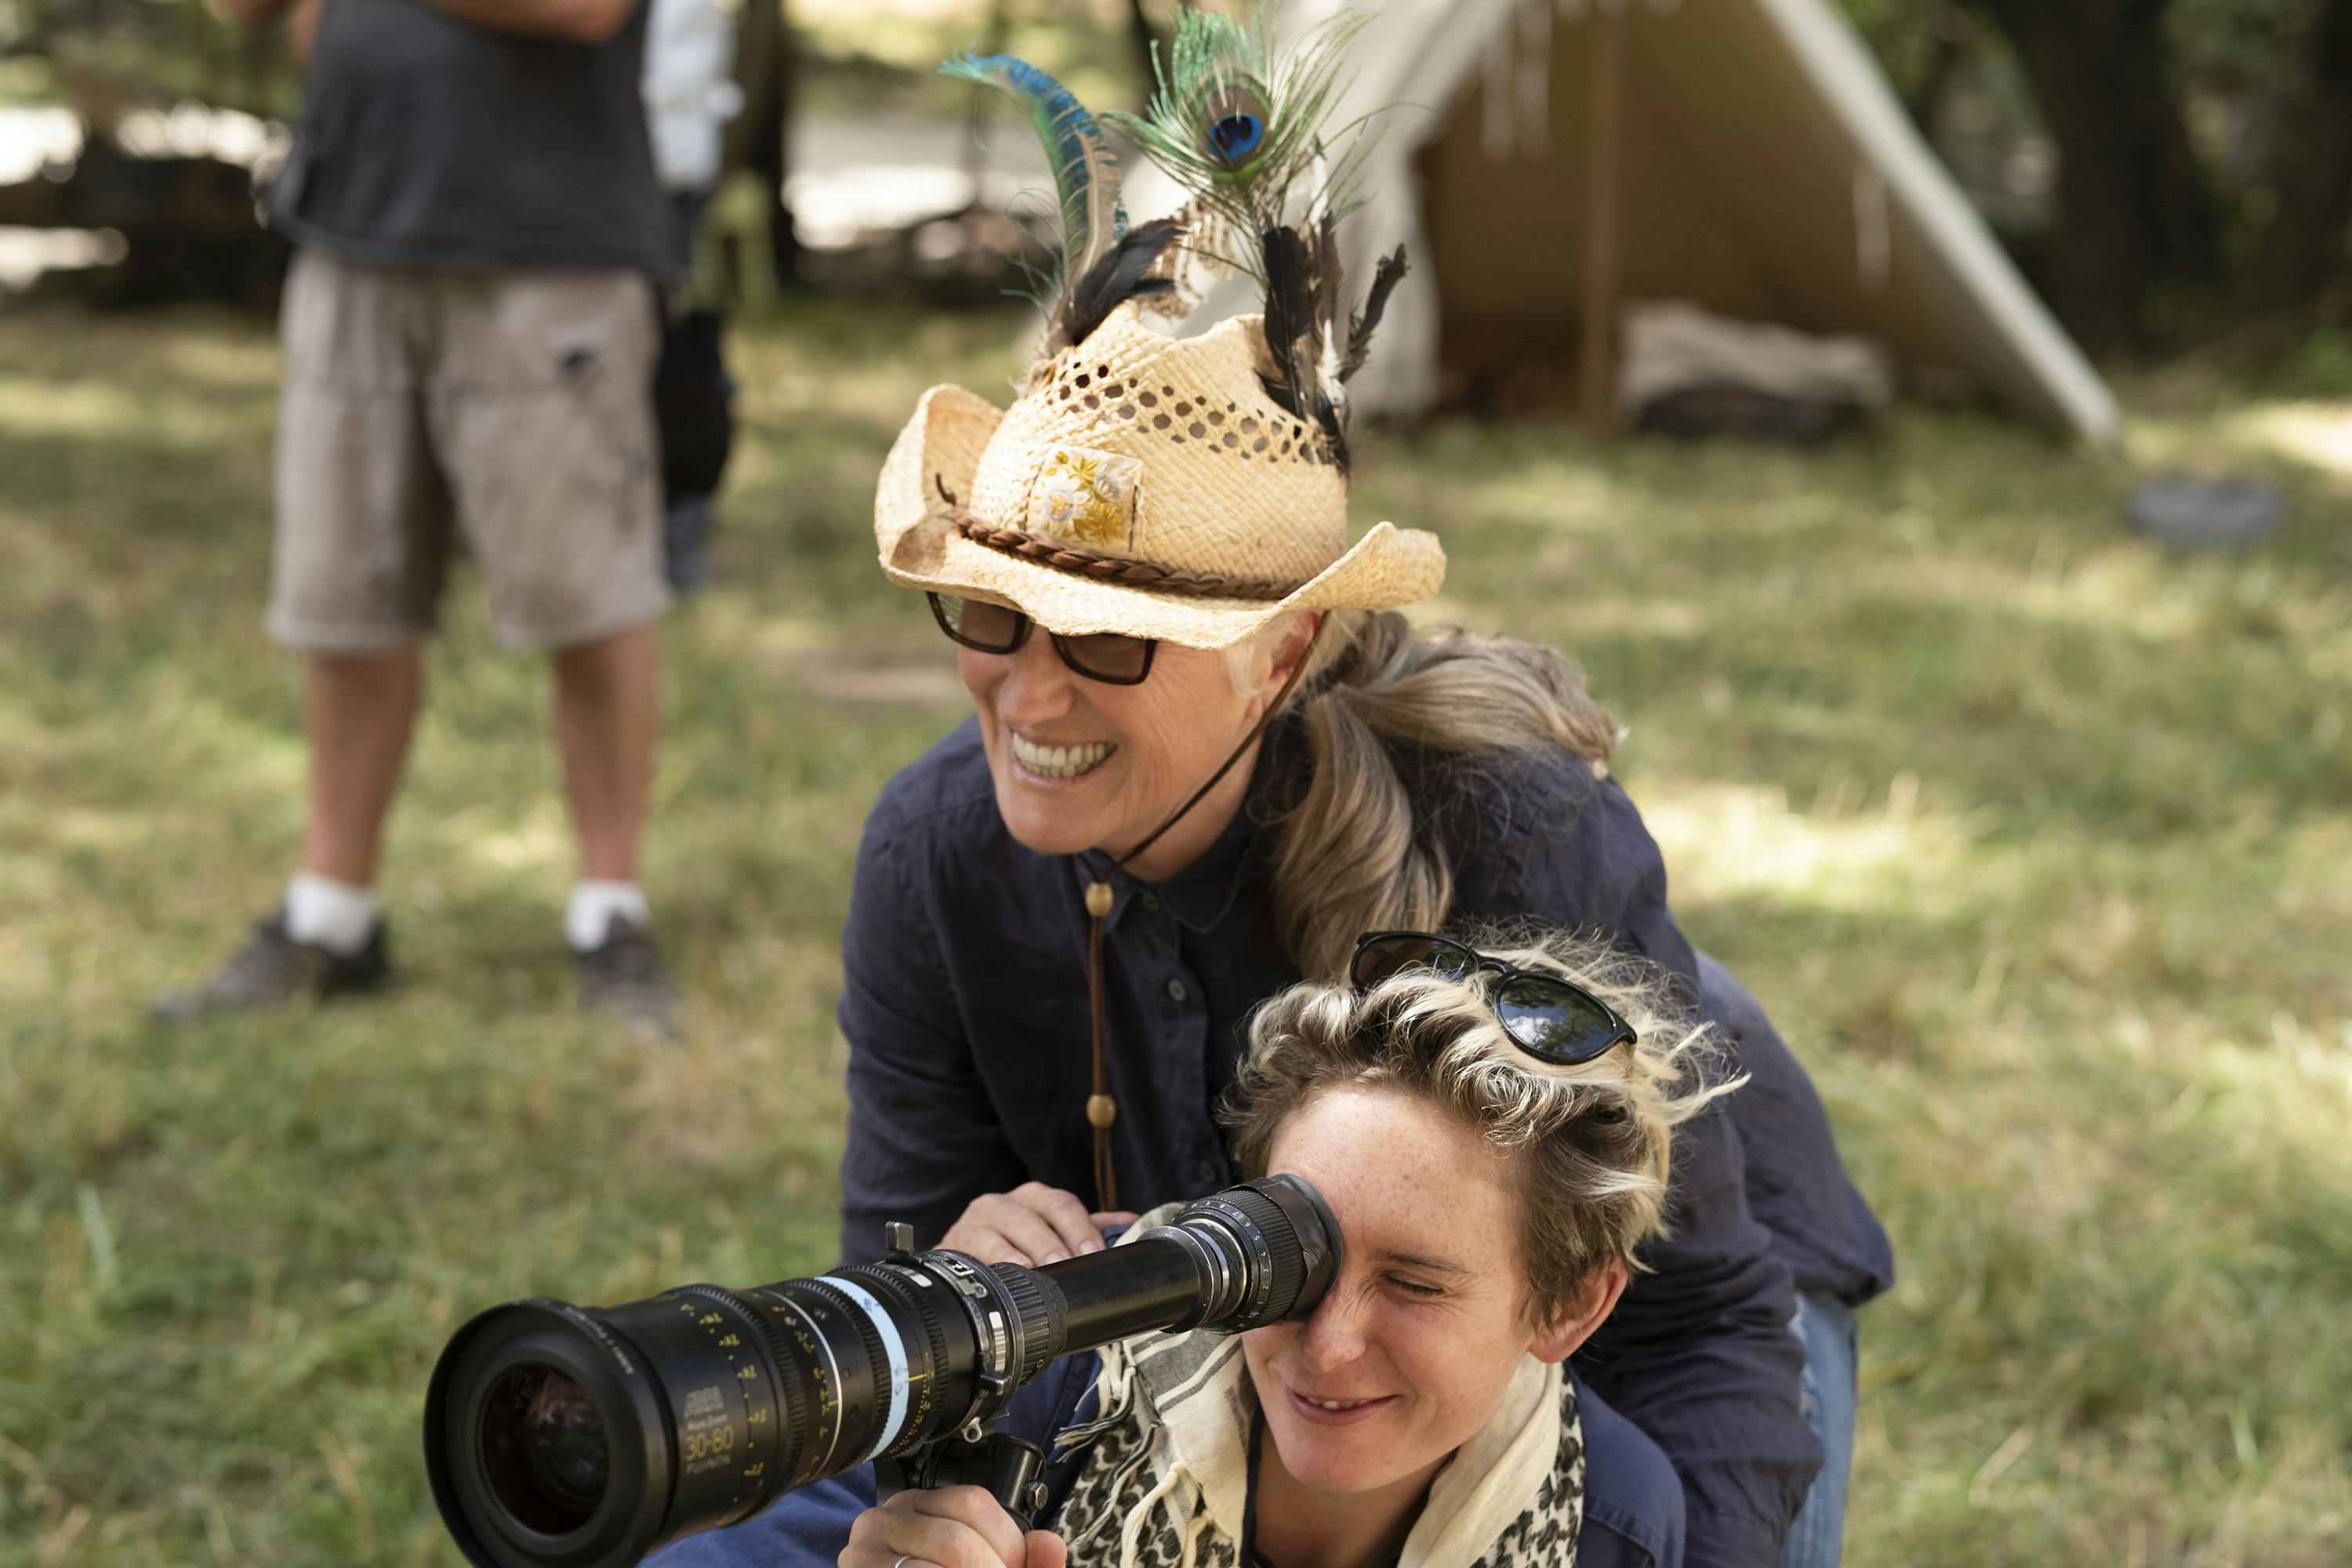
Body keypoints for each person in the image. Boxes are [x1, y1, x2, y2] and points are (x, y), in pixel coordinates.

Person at [837, 24, 1891, 1567]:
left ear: (1282, 654)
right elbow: (889, 1330)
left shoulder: (1516, 836)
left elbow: (1701, 1327)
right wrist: (958, 1302)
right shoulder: (934, 860)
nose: (1030, 692)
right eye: (988, 611)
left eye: (1112, 639)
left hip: (1635, 1314)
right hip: (1277, 1366)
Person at [655, 931, 1731, 1568]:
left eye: (1413, 1283)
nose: (1328, 1343)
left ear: (1568, 1309)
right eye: (1296, 1253)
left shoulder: (1604, 1522)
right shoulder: (1066, 1345)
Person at [155, 0, 684, 1036]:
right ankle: (333, 918)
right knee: (342, 600)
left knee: (587, 599)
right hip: (351, 239)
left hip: (550, 247)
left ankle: (611, 915)